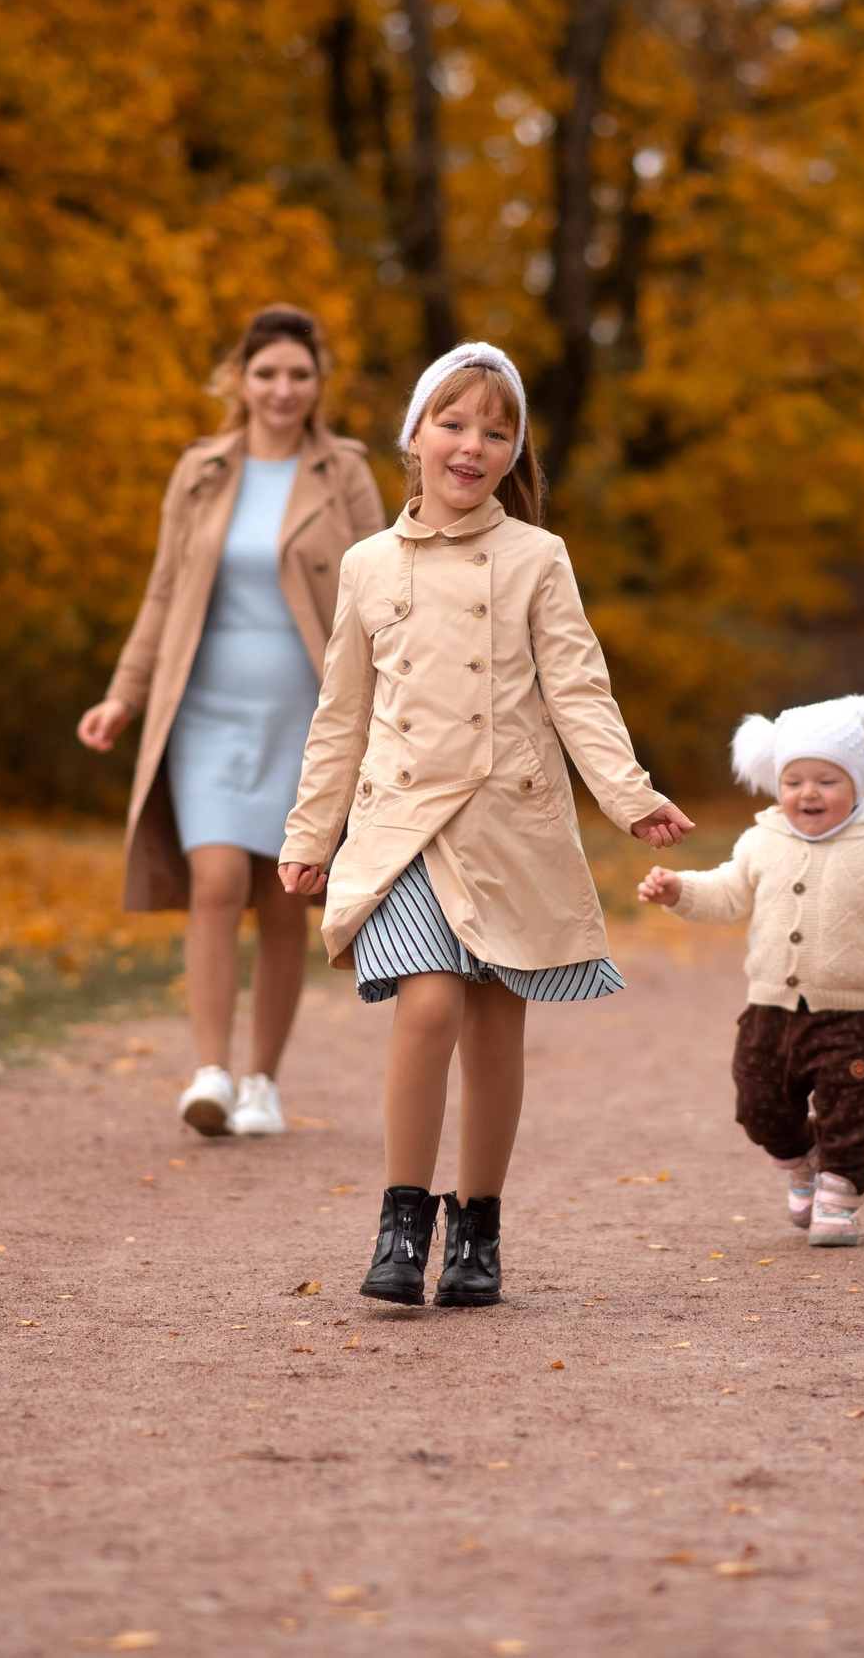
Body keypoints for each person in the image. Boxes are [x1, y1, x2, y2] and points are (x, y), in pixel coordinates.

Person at [278, 342, 694, 1308]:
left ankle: (480, 1228)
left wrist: (629, 796)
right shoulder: (368, 565)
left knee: (496, 1030)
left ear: (516, 453)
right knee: (427, 1005)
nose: (472, 445)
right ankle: (400, 1219)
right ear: (415, 435)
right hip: (403, 826)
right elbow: (340, 712)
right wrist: (310, 835)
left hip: (510, 826)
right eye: (453, 423)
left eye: (496, 430)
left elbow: (580, 692)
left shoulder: (538, 558)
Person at [78, 305, 386, 1139]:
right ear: (239, 380)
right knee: (214, 881)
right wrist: (124, 693)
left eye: (298, 374)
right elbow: (163, 590)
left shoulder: (345, 471)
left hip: (308, 717)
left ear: (319, 382)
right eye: (266, 373)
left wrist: (397, 702)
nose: (282, 389)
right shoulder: (202, 469)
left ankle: (263, 1081)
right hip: (205, 710)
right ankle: (211, 1070)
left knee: (283, 898)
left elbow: (387, 588)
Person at [635, 695, 864, 1246]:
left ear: (857, 784)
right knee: (757, 1103)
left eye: (827, 780)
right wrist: (680, 889)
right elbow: (727, 893)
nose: (808, 793)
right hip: (770, 1006)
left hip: (852, 1014)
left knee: (849, 1114)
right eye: (795, 780)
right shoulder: (762, 840)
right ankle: (803, 1162)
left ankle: (840, 1197)